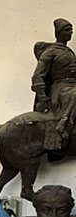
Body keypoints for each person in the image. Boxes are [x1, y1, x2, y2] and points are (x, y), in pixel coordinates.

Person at [31, 18, 76, 147]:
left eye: (71, 30)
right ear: (59, 32)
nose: (70, 33)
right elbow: (37, 76)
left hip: (72, 86)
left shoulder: (70, 52)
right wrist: (42, 98)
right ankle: (63, 124)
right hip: (60, 89)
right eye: (67, 30)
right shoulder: (50, 52)